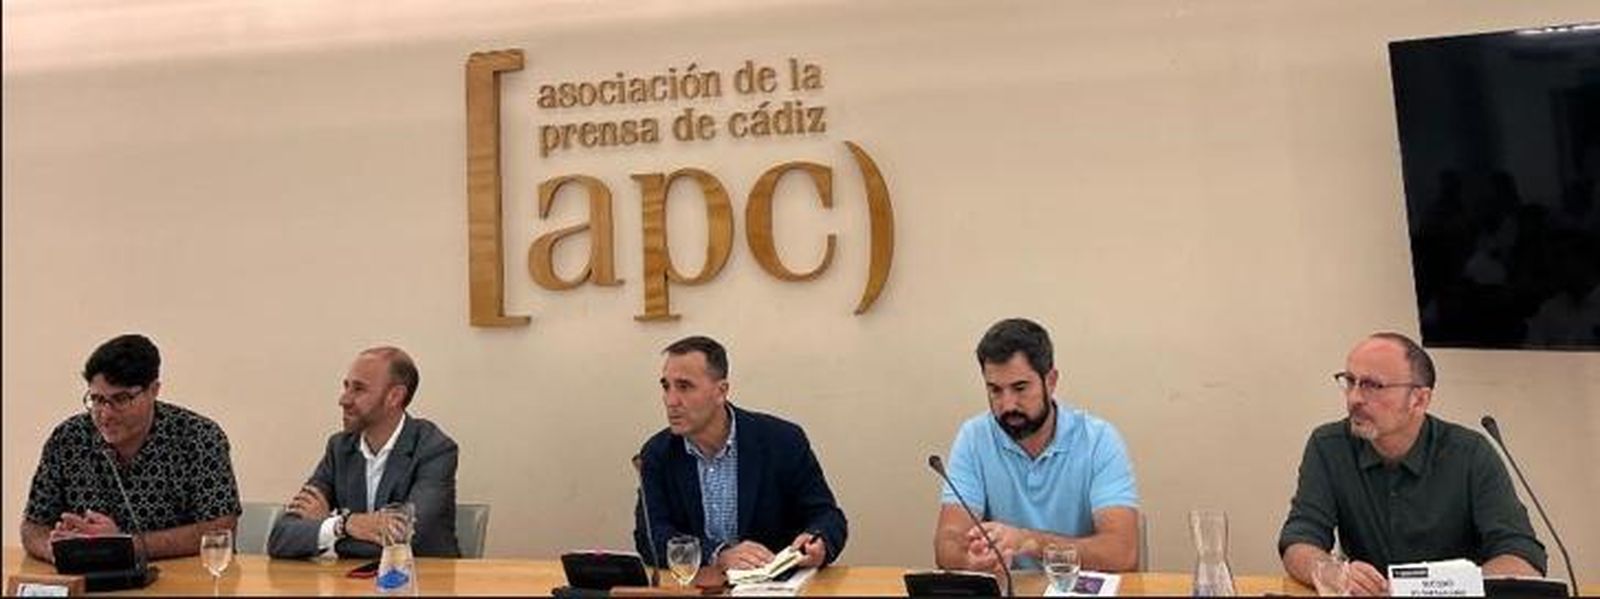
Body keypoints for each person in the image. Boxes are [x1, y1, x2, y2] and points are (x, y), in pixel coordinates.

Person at [1278, 332, 1546, 595]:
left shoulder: (1470, 453)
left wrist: (1450, 589)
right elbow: (1299, 538)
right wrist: (1329, 571)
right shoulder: (1329, 445)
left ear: (1419, 399)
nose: (1354, 398)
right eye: (1350, 381)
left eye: (1372, 385)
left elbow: (1521, 555)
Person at [933, 318, 1140, 574]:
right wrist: (967, 560)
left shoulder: (1098, 440)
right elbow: (947, 541)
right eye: (995, 390)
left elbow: (1121, 552)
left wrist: (1028, 541)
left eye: (1020, 388)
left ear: (1051, 381)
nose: (1008, 405)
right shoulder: (974, 437)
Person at [633, 335, 848, 573]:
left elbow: (828, 517)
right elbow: (651, 539)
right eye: (666, 387)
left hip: (772, 587)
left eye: (684, 387)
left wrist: (818, 542)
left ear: (721, 391)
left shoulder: (782, 441)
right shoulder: (657, 454)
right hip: (699, 588)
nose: (671, 400)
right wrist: (718, 555)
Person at [19, 333, 241, 562]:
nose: (105, 415)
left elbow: (220, 531)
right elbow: (33, 526)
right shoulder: (68, 438)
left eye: (121, 400)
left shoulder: (199, 438)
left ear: (153, 390)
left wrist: (123, 545)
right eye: (96, 400)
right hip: (91, 580)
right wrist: (58, 550)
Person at [268, 346, 460, 559]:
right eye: (346, 386)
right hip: (351, 585)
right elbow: (280, 538)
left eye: (358, 389)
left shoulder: (434, 449)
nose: (344, 399)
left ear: (394, 396)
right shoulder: (340, 448)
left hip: (422, 584)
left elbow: (403, 540)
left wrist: (326, 527)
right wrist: (342, 525)